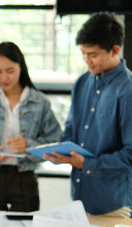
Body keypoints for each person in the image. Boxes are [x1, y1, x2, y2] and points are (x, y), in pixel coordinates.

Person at [44, 12, 132, 217]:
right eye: (83, 54)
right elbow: (71, 134)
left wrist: (86, 164)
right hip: (80, 202)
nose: (87, 61)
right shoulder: (82, 83)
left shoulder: (127, 90)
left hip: (114, 205)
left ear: (115, 50)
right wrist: (59, 153)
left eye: (93, 55)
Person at [0, 42, 61, 212]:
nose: (4, 77)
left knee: (26, 224)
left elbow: (54, 141)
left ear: (21, 68)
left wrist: (28, 146)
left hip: (25, 177)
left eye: (10, 71)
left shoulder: (40, 102)